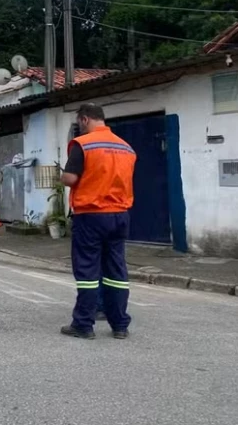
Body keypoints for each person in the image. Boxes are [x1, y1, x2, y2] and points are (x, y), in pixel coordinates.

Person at [59, 103, 136, 340]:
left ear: (84, 120)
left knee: (87, 270)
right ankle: (120, 325)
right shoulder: (126, 147)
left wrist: (62, 175)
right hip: (120, 214)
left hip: (91, 214)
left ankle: (83, 324)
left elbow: (70, 178)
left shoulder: (84, 144)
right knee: (116, 270)